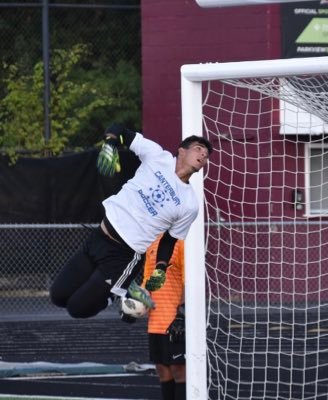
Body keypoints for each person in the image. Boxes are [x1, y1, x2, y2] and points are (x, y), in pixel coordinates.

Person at [49, 123, 213, 318]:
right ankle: (126, 288)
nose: (203, 155)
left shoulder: (189, 204)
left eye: (206, 155)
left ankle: (117, 294)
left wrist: (160, 268)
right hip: (99, 238)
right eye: (198, 149)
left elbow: (169, 240)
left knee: (77, 309)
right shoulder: (158, 157)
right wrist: (109, 145)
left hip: (123, 257)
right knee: (58, 296)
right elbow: (118, 129)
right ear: (181, 151)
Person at [142, 237, 186, 400]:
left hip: (175, 319)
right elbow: (148, 279)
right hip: (156, 319)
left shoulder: (182, 241)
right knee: (162, 370)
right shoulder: (151, 241)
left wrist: (182, 312)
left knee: (179, 370)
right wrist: (138, 301)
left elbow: (188, 280)